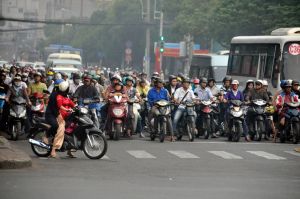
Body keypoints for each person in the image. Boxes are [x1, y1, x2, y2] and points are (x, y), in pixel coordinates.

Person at [50, 81, 76, 158]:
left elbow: (73, 104)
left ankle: (70, 150)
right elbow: (59, 106)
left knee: (74, 129)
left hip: (68, 117)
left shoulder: (66, 97)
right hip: (60, 117)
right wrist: (67, 109)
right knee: (61, 130)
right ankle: (53, 150)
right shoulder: (59, 97)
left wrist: (78, 107)